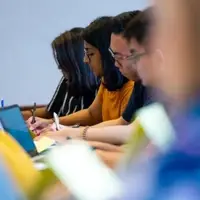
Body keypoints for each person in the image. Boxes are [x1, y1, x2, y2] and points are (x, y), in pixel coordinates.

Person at [30, 16, 134, 130]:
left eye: (90, 54)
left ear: (107, 54)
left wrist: (73, 132)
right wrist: (52, 123)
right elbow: (91, 114)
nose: (85, 60)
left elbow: (122, 129)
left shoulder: (131, 86)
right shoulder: (107, 80)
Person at [23, 27, 98, 120]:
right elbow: (50, 111)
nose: (59, 67)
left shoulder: (101, 86)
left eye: (62, 62)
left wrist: (51, 123)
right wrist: (20, 116)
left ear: (76, 62)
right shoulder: (67, 80)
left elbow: (89, 121)